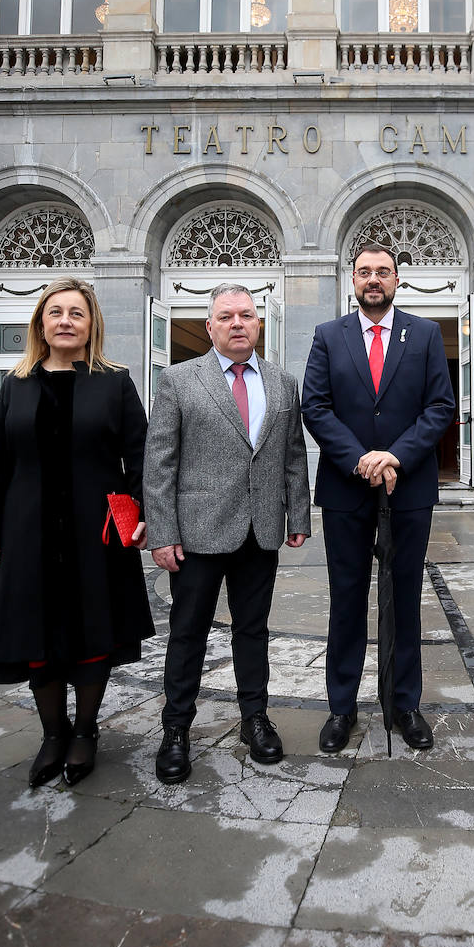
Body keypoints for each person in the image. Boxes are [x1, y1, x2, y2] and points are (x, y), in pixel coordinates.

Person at [0, 277, 154, 788]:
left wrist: (142, 517)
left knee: (93, 629)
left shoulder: (114, 382)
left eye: (77, 312)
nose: (66, 320)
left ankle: (86, 732)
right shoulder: (17, 383)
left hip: (94, 533)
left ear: (91, 323)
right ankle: (54, 733)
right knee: (36, 631)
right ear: (41, 324)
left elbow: (140, 458)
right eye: (56, 312)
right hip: (27, 532)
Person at [144, 283, 310, 782]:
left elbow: (293, 457)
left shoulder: (283, 383)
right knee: (188, 632)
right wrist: (162, 532)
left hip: (260, 533)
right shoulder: (177, 380)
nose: (238, 323)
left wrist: (296, 517)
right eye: (227, 316)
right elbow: (159, 464)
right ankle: (176, 729)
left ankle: (254, 718)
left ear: (259, 323)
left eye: (247, 315)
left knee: (252, 631)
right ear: (210, 326)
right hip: (195, 535)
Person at [301, 242, 455, 753]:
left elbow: (439, 407)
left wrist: (394, 456)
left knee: (404, 597)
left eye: (383, 272)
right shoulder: (328, 336)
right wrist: (361, 458)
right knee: (346, 600)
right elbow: (316, 407)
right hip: (347, 489)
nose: (374, 279)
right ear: (352, 280)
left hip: (409, 488)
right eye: (365, 271)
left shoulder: (427, 334)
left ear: (396, 280)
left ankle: (404, 704)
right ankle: (341, 708)